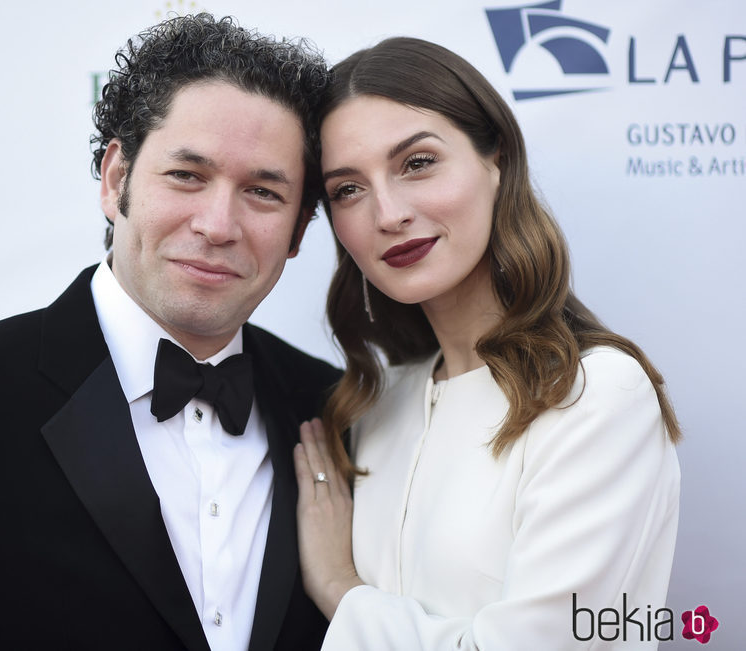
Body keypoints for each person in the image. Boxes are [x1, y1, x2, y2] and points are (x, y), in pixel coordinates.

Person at [0, 14, 338, 651]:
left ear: (298, 231)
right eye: (187, 175)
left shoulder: (332, 408)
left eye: (263, 192)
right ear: (115, 179)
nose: (218, 224)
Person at [292, 37, 681, 649]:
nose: (387, 213)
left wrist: (341, 590)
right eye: (347, 189)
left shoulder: (596, 394)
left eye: (417, 163)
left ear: (495, 157)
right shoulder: (378, 405)